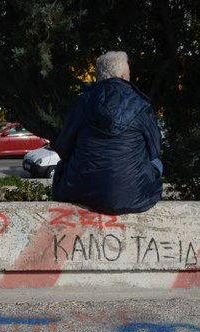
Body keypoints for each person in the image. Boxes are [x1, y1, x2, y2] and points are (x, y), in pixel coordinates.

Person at [51, 51, 163, 214]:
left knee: (63, 165)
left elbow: (63, 148)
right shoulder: (141, 105)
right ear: (124, 76)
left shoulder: (83, 103)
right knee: (157, 164)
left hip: (83, 191)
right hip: (134, 195)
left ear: (99, 78)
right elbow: (155, 151)